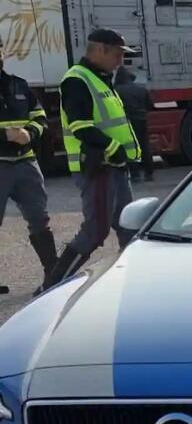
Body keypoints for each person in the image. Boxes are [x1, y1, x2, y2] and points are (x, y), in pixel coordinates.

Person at [42, 28, 142, 290]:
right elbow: (80, 126)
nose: (121, 60)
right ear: (99, 49)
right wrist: (112, 147)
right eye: (118, 54)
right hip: (98, 168)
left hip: (115, 166)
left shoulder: (100, 78)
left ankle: (137, 282)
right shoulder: (77, 79)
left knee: (129, 225)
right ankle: (53, 286)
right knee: (96, 231)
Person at [0, 40, 57, 292]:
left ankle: (53, 275)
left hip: (26, 164)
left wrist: (30, 134)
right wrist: (6, 137)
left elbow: (40, 116)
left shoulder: (18, 84)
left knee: (39, 219)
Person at [113, 66, 155, 183]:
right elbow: (150, 105)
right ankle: (149, 173)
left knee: (131, 147)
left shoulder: (116, 90)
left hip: (128, 122)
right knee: (144, 145)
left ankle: (135, 174)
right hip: (142, 120)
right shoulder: (141, 89)